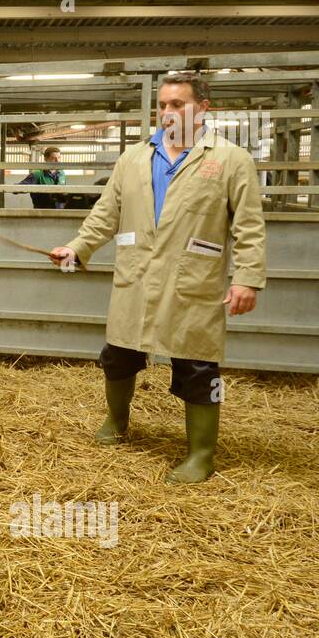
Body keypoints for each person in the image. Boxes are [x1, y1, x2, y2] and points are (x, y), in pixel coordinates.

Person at [48, 72, 266, 485]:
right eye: (163, 105)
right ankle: (118, 421)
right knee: (117, 355)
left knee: (198, 368)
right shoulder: (134, 158)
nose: (167, 113)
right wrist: (77, 248)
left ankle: (201, 455)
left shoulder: (230, 160)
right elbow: (105, 214)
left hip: (192, 282)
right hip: (138, 277)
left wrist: (248, 279)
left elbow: (250, 226)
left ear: (203, 108)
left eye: (178, 104)